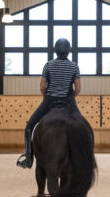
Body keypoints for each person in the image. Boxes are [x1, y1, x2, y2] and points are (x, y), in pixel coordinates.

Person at [16, 37, 81, 168]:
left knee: (29, 126)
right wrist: (70, 97)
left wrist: (46, 97)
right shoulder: (74, 66)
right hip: (68, 101)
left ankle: (28, 157)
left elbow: (42, 86)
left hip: (49, 100)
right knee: (82, 127)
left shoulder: (48, 65)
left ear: (55, 50)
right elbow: (78, 88)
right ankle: (83, 156)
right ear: (68, 51)